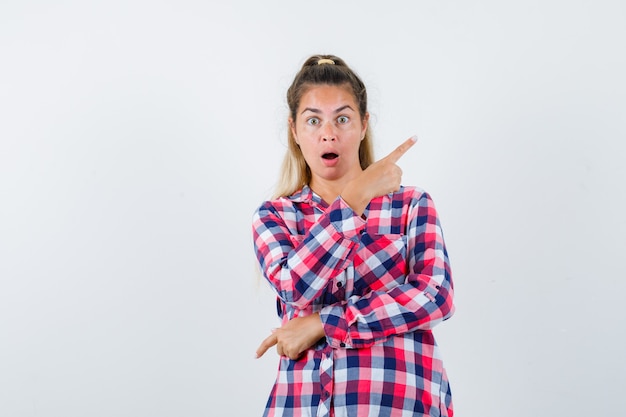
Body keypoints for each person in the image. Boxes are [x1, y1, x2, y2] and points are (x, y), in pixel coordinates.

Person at [252, 54, 455, 417]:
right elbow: (295, 288)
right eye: (313, 120)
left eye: (342, 118)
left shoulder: (411, 205)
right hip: (303, 405)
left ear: (363, 125)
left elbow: (434, 296)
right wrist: (355, 199)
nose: (328, 133)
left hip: (397, 404)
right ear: (294, 131)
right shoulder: (276, 216)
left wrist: (321, 324)